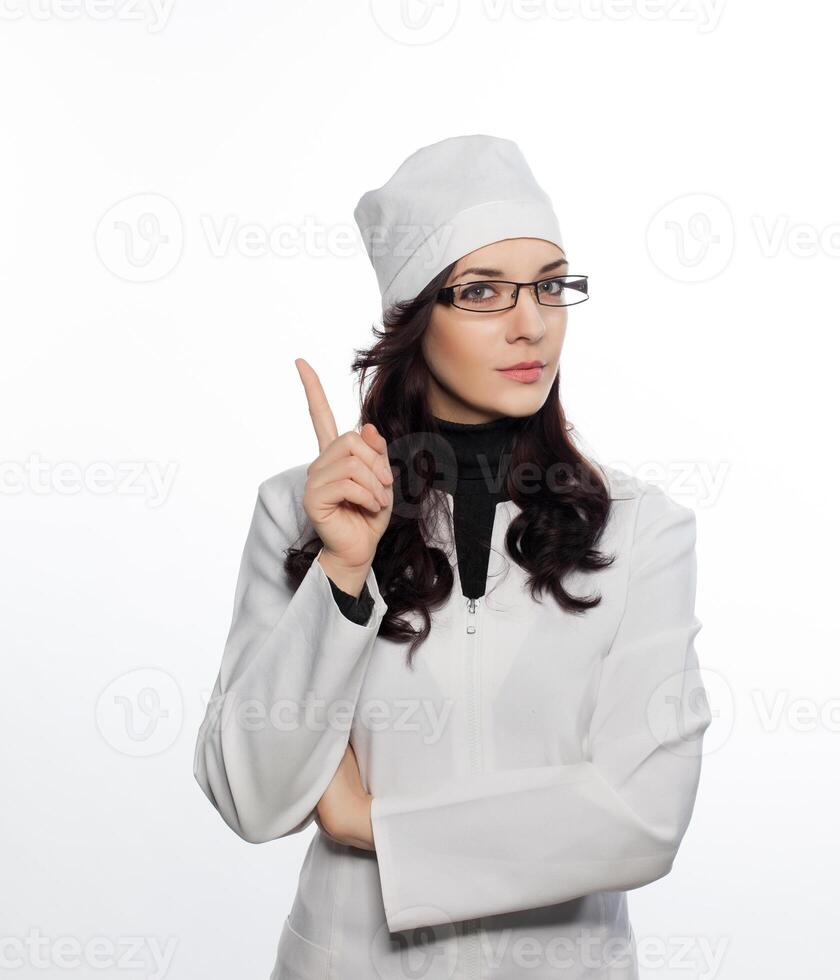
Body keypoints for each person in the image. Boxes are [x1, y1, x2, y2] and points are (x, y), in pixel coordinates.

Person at [192, 134, 713, 980]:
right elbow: (252, 798)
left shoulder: (643, 530)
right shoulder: (301, 507)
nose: (532, 323)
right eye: (482, 292)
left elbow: (644, 818)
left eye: (550, 285)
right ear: (412, 316)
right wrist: (343, 573)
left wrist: (370, 824)